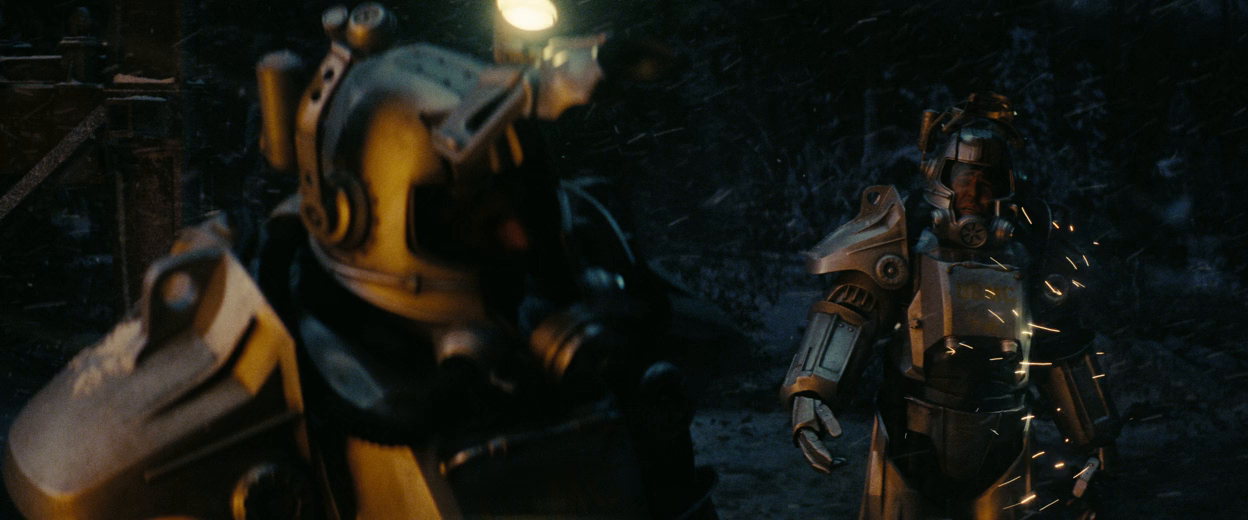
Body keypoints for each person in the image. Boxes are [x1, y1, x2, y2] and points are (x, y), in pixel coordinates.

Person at [4, 4, 714, 518]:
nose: (520, 244)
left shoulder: (583, 306)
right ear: (360, 215)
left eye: (524, 210)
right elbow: (61, 480)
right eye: (477, 221)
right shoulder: (263, 377)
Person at [781, 92, 1119, 519]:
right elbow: (852, 311)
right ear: (939, 177)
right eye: (964, 178)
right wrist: (810, 390)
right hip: (909, 437)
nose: (974, 193)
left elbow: (1061, 344)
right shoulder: (904, 241)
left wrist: (1095, 438)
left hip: (1004, 439)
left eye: (987, 181)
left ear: (1006, 185)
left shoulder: (1029, 253)